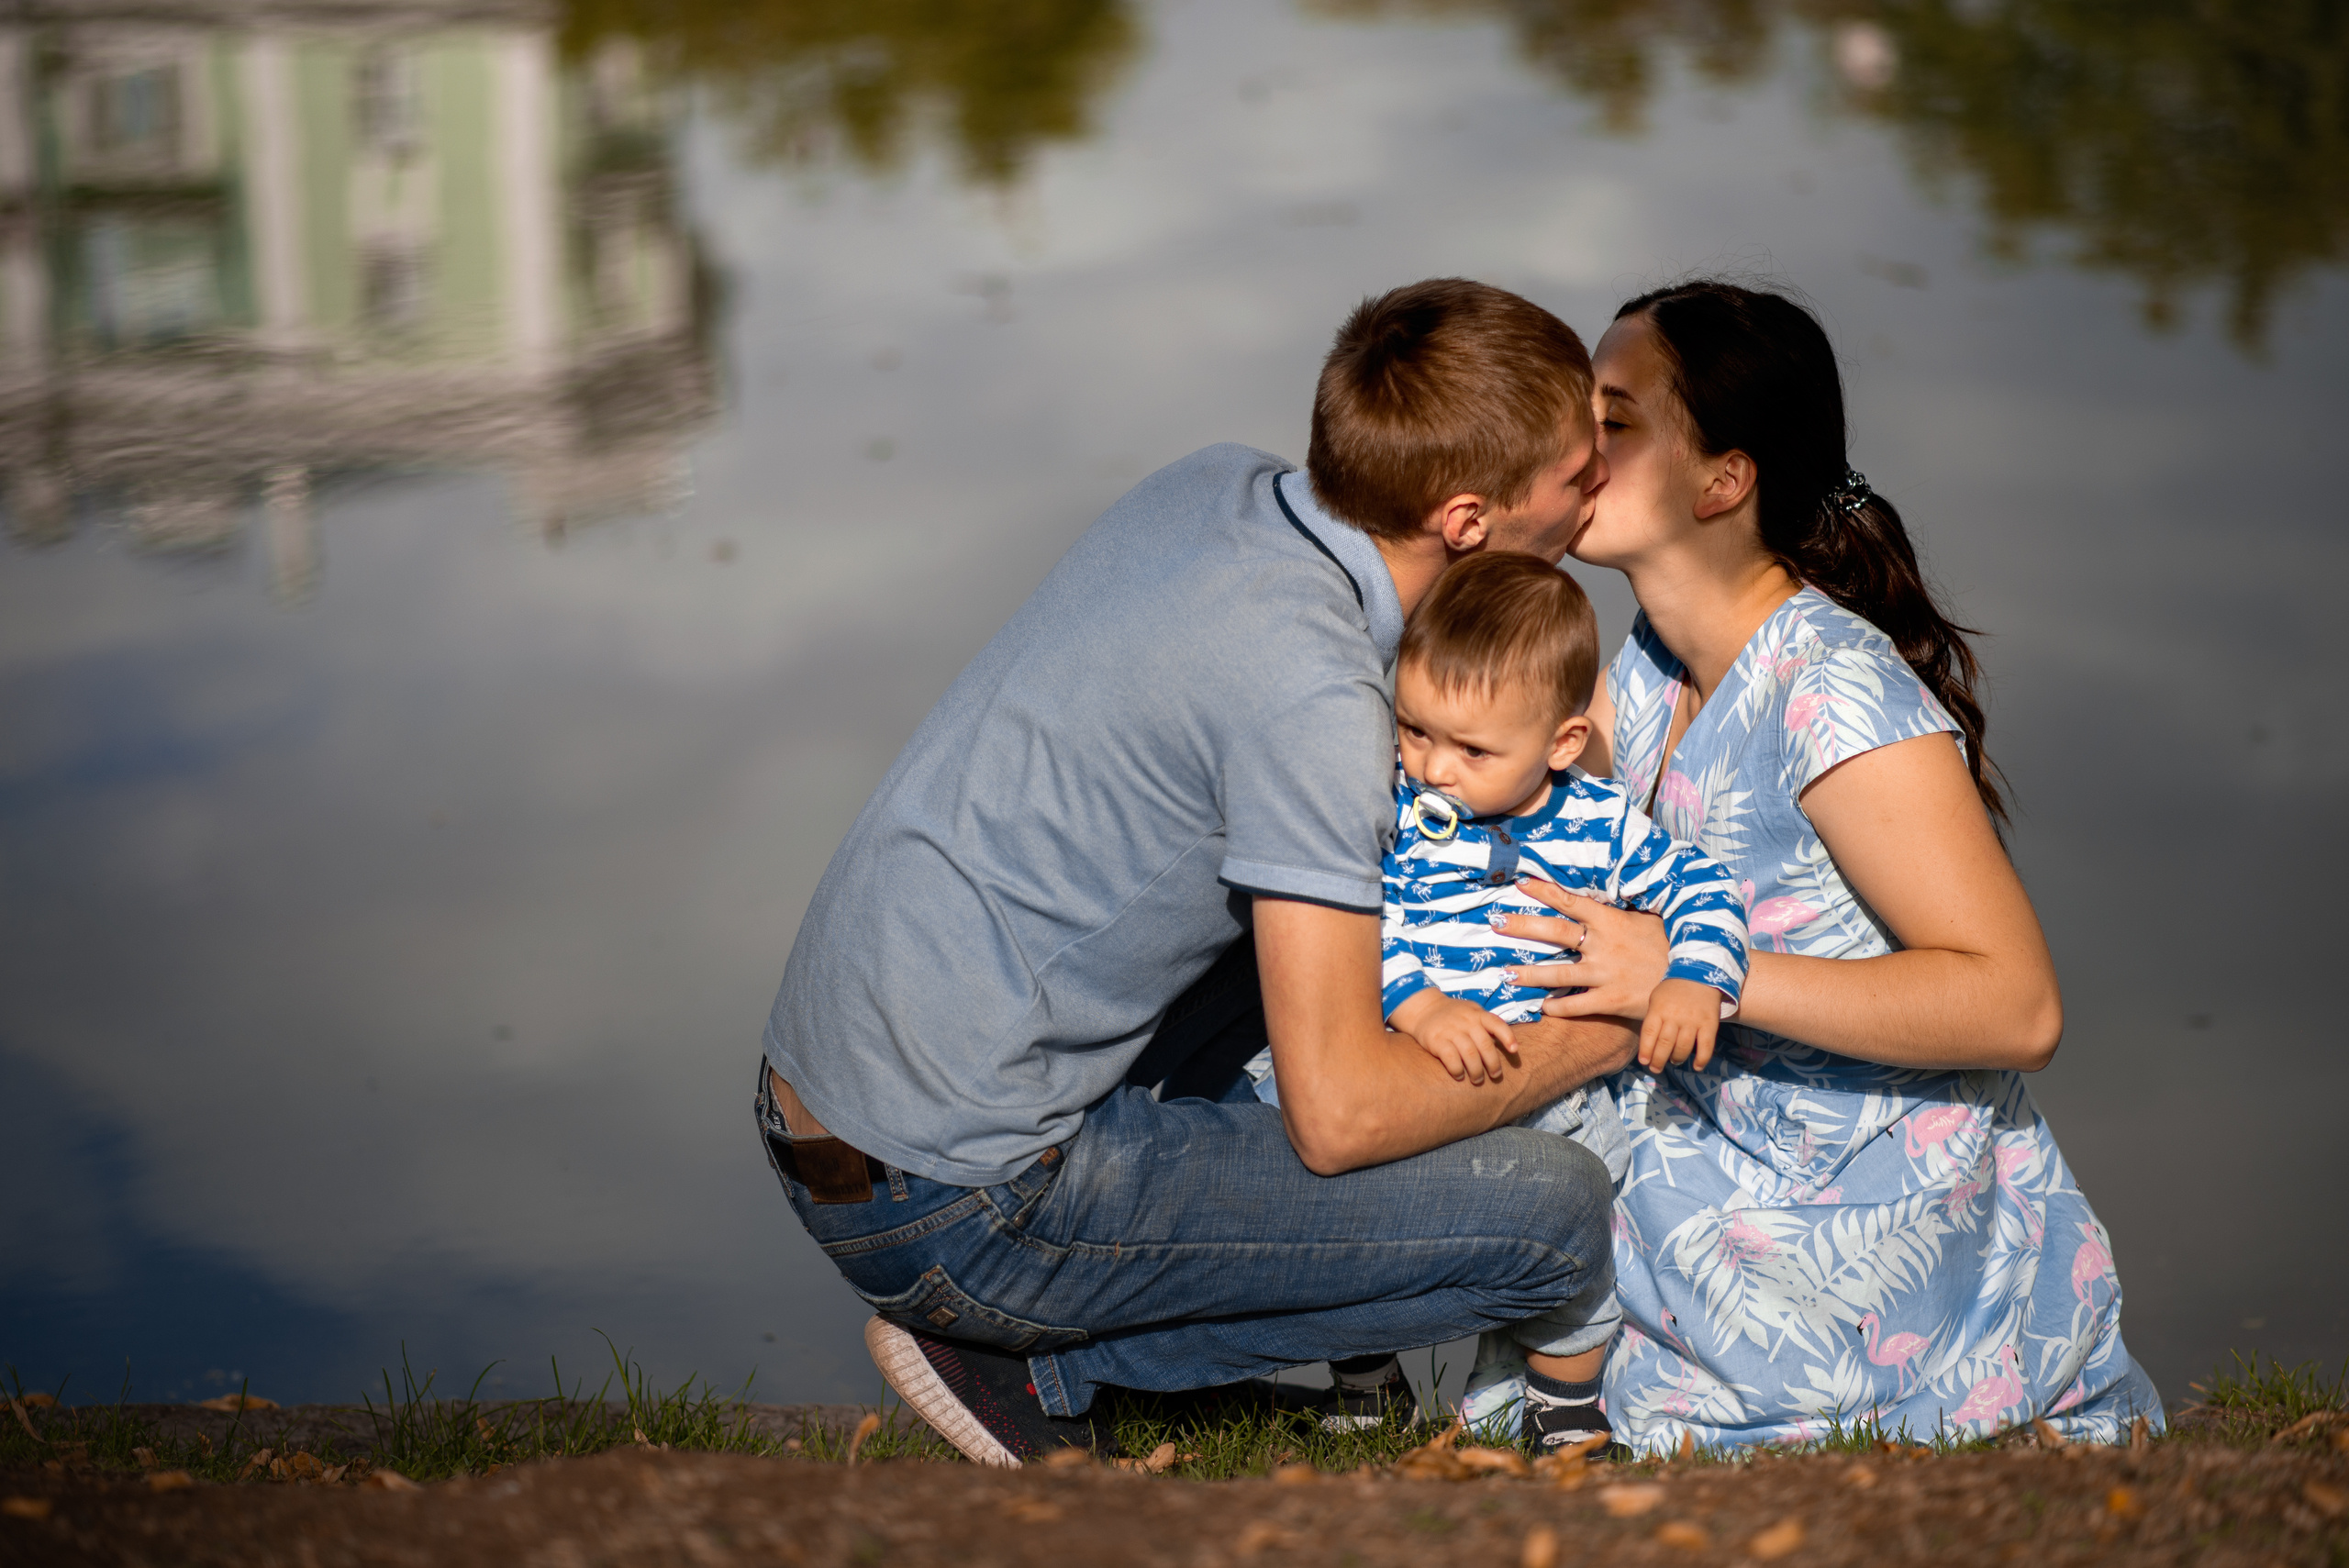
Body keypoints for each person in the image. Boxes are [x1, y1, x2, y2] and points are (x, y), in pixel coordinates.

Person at [754, 279, 1639, 1465]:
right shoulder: (1311, 693)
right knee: (1560, 1213)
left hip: (832, 1100)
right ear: (1470, 521)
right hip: (955, 1203)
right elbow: (1343, 1120)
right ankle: (1022, 1356)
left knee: (1372, 914)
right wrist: (1603, 1029)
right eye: (1583, 473)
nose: (1604, 487)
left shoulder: (1215, 487)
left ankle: (1118, 1266)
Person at [1466, 279, 2162, 1450]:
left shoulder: (1830, 690)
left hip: (1854, 1214)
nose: (1571, 447)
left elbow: (2017, 1003)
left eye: (1614, 421)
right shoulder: (1640, 666)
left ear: (1723, 481)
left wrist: (1697, 971)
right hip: (1706, 1136)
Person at [1242, 550, 1750, 1451]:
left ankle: (1565, 1410)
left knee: (1577, 1228)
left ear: (1560, 742)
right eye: (1414, 729)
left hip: (1544, 1088)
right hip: (1405, 1055)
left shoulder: (1595, 823)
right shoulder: (1392, 803)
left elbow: (1705, 891)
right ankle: (1365, 1380)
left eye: (1472, 749)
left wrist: (1693, 978)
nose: (1434, 766)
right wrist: (1417, 1006)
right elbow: (1361, 921)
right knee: (1339, 1194)